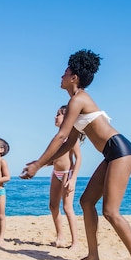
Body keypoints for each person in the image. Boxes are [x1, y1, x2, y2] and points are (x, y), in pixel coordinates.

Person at [21, 49, 131, 260]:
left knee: (110, 211)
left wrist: (38, 164)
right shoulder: (76, 102)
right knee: (86, 202)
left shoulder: (78, 100)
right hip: (111, 154)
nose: (61, 76)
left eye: (65, 72)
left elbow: (61, 136)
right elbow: (69, 143)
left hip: (121, 151)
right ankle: (93, 255)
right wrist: (43, 162)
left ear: (74, 77)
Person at [49, 105, 82, 250]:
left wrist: (73, 179)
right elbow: (53, 159)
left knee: (67, 207)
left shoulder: (71, 137)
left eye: (58, 114)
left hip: (67, 174)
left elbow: (78, 158)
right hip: (55, 173)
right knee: (53, 206)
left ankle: (75, 242)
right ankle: (60, 236)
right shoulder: (56, 138)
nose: (55, 117)